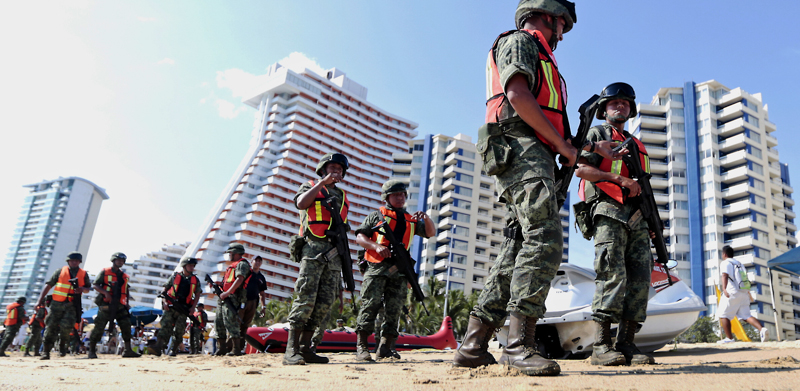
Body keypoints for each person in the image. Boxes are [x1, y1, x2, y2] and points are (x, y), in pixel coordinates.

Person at [454, 0, 626, 376]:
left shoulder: (540, 54)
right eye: (562, 25)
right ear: (550, 17)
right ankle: (518, 345)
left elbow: (552, 126)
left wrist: (588, 149)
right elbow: (517, 97)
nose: (562, 34)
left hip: (533, 152)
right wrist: (565, 147)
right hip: (521, 149)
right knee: (545, 238)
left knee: (518, 247)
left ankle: (473, 344)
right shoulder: (521, 42)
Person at [572, 82, 656, 366]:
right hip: (608, 211)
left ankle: (627, 343)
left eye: (625, 103)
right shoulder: (597, 135)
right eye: (614, 103)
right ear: (604, 109)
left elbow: (643, 187)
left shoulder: (637, 143)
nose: (620, 106)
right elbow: (580, 169)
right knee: (612, 275)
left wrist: (652, 222)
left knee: (641, 280)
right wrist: (618, 179)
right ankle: (602, 346)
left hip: (638, 218)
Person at [283, 153, 351, 366]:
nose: (337, 171)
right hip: (313, 250)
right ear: (323, 169)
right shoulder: (310, 186)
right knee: (305, 298)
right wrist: (322, 183)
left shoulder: (342, 195)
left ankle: (305, 348)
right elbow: (301, 204)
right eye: (333, 167)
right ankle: (291, 351)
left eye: (340, 169)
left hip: (333, 255)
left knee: (324, 302)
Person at [355, 180, 434, 361]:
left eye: (402, 195)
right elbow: (360, 236)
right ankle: (362, 347)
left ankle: (385, 347)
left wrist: (426, 218)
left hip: (399, 270)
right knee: (370, 305)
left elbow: (430, 233)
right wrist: (375, 246)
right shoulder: (377, 215)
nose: (400, 198)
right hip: (377, 267)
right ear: (387, 197)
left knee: (394, 309)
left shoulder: (410, 219)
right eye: (395, 195)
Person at [34, 252, 92, 360]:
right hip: (56, 304)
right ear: (68, 261)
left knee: (67, 328)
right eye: (72, 260)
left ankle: (62, 344)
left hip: (72, 305)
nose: (74, 262)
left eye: (76, 260)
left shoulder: (83, 274)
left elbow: (88, 288)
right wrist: (39, 300)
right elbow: (49, 284)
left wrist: (82, 289)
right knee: (50, 327)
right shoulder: (60, 271)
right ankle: (46, 352)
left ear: (79, 262)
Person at [87, 252, 140, 358]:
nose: (120, 262)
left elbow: (126, 289)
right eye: (118, 260)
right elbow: (95, 285)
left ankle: (128, 350)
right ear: (113, 260)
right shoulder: (105, 272)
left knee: (126, 326)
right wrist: (106, 293)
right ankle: (91, 351)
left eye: (122, 260)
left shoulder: (124, 276)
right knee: (99, 327)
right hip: (106, 304)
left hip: (120, 305)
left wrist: (127, 303)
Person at [717, 246, 768, 343]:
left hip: (731, 292)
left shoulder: (725, 263)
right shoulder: (739, 264)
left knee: (723, 315)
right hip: (744, 292)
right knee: (746, 315)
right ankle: (762, 329)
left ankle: (729, 338)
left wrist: (724, 288)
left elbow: (724, 275)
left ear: (724, 254)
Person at [210, 243, 251, 356]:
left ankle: (236, 349)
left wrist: (227, 292)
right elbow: (230, 282)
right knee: (219, 322)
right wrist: (220, 285)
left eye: (231, 253)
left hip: (233, 297)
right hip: (224, 297)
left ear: (236, 253)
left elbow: (240, 279)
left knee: (231, 323)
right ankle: (222, 348)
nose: (229, 255)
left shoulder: (242, 264)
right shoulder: (233, 265)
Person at [157, 257, 201, 357]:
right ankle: (159, 347)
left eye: (193, 266)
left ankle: (174, 349)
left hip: (184, 308)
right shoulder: (174, 276)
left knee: (179, 330)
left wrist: (193, 307)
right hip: (171, 306)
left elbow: (197, 294)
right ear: (184, 266)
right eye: (190, 265)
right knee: (165, 326)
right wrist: (164, 302)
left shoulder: (195, 280)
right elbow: (164, 291)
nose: (192, 267)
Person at [240, 256, 267, 353]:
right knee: (237, 324)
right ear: (252, 262)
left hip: (253, 303)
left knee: (245, 326)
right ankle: (230, 347)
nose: (258, 262)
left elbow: (262, 293)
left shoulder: (261, 277)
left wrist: (263, 307)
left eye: (260, 261)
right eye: (256, 260)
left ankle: (240, 348)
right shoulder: (246, 273)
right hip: (242, 301)